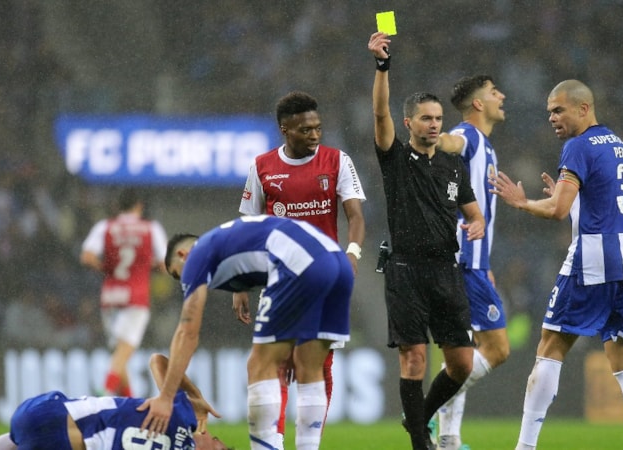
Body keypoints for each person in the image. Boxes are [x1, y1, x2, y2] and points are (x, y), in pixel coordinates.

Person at [488, 79, 623, 450]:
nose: (551, 117)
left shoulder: (576, 147)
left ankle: (525, 447)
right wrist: (572, 200)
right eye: (549, 110)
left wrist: (522, 202)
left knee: (550, 346)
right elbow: (605, 206)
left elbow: (558, 210)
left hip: (592, 259)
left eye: (558, 109)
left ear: (583, 109)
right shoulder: (619, 145)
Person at [140, 215, 353, 450]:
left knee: (259, 365)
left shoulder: (197, 254)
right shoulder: (227, 242)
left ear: (182, 255)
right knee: (309, 367)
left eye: (179, 275)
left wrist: (167, 397)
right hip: (337, 263)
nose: (186, 282)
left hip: (298, 262)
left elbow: (187, 332)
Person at [367, 32, 486, 450]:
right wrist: (383, 67)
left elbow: (474, 214)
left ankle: (418, 419)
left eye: (438, 119)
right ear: (409, 123)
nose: (434, 125)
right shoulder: (396, 158)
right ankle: (420, 442)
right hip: (405, 270)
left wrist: (477, 226)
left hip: (446, 270)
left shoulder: (454, 166)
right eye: (426, 119)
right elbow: (380, 113)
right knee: (414, 358)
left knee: (461, 363)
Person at [238, 90, 366, 438]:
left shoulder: (337, 161)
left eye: (318, 128)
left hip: (324, 279)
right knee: (273, 365)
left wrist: (352, 253)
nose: (314, 135)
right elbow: (249, 229)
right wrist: (242, 282)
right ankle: (273, 442)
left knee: (317, 366)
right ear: (285, 130)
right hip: (277, 281)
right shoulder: (262, 167)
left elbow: (355, 216)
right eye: (305, 130)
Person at [431, 75, 510, 450]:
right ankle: (429, 411)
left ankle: (449, 438)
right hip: (465, 264)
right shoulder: (471, 137)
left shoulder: (488, 147)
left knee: (462, 354)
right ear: (478, 103)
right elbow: (451, 141)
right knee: (497, 349)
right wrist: (434, 137)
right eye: (494, 92)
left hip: (473, 262)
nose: (501, 96)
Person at [0, 353, 231, 450]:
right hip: (58, 436)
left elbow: (157, 361)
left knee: (22, 436)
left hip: (46, 416)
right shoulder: (182, 419)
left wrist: (193, 397)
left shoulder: (182, 418)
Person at [80, 188, 168, 397]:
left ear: (116, 207)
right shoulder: (150, 229)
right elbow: (165, 263)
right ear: (139, 206)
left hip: (111, 297)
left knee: (119, 354)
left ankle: (130, 402)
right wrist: (149, 265)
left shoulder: (105, 227)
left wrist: (107, 268)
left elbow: (87, 257)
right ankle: (105, 392)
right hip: (136, 297)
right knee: (124, 352)